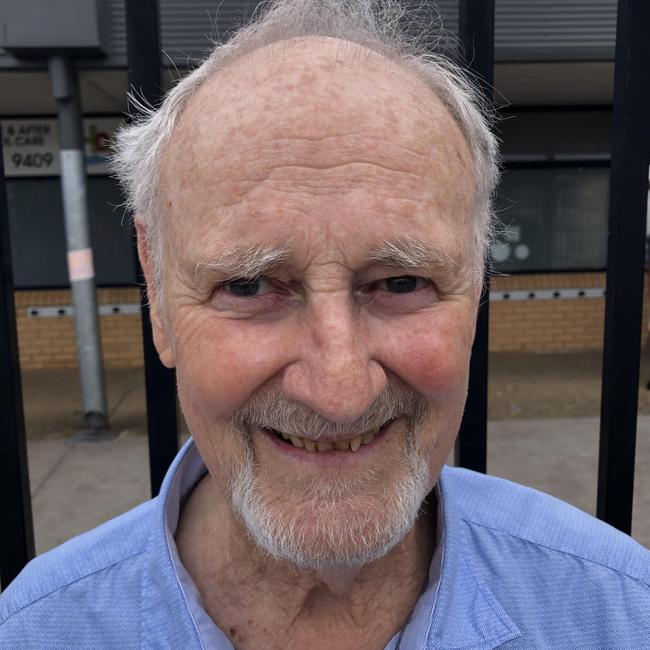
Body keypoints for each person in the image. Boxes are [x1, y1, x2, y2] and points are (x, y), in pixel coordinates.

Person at [1, 1, 649, 647]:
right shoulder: (37, 630)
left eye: (401, 283)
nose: (339, 390)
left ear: (476, 284)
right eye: (249, 286)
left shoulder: (616, 613)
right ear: (159, 294)